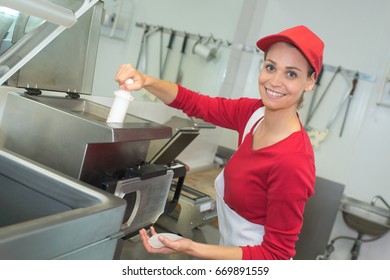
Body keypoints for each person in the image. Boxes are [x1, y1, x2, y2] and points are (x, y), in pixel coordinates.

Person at [114, 25, 324, 260]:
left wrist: (191, 247)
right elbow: (195, 103)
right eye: (271, 67)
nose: (275, 81)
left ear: (310, 82)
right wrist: (146, 80)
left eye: (291, 73)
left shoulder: (293, 161)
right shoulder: (254, 114)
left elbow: (276, 255)